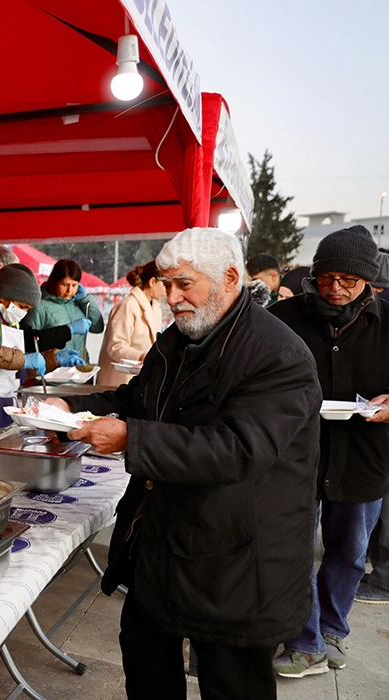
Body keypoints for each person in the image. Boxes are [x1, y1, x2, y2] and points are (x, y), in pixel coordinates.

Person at [45, 228, 320, 700]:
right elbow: (140, 397)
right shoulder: (180, 336)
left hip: (238, 564)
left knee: (231, 684)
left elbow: (237, 448)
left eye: (183, 284)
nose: (171, 297)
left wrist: (132, 438)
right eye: (166, 284)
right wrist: (74, 410)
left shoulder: (278, 354)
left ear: (229, 278)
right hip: (164, 546)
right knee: (147, 667)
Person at [268, 225, 389, 678]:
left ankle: (332, 629)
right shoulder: (284, 318)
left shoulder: (388, 322)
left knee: (350, 552)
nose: (334, 289)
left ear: (369, 283)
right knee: (294, 547)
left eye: (348, 280)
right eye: (325, 278)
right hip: (296, 456)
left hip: (365, 456)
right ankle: (306, 641)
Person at [0, 264, 83, 426]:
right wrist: (25, 359)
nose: (24, 313)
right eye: (22, 307)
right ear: (5, 297)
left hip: (2, 401)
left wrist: (52, 359)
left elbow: (12, 366)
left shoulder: (11, 319)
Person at [22, 259, 104, 363]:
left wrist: (86, 299)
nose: (70, 290)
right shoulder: (39, 307)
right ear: (54, 282)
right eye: (65, 285)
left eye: (74, 285)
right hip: (54, 372)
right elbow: (30, 343)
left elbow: (97, 327)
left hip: (81, 370)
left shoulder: (79, 302)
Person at [96, 261, 164, 386]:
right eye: (165, 284)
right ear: (152, 282)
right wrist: (142, 356)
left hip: (138, 380)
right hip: (118, 381)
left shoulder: (155, 308)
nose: (167, 289)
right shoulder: (127, 306)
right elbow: (115, 347)